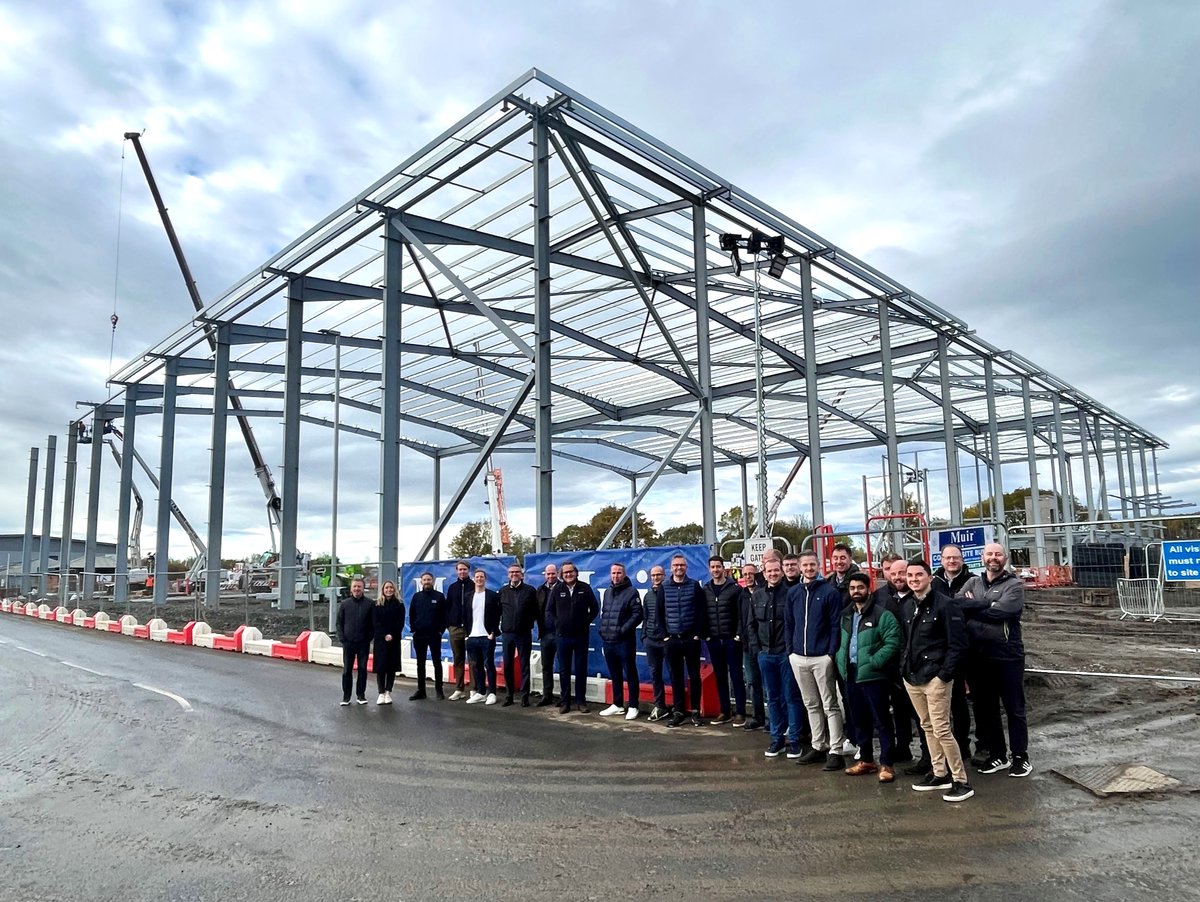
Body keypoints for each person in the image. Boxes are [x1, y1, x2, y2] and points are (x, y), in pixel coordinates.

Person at [901, 559, 973, 803]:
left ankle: (960, 780)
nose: (913, 579)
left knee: (942, 728)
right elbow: (906, 641)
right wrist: (904, 669)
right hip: (913, 677)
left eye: (918, 575)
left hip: (935, 678)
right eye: (910, 575)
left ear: (929, 577)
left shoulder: (946, 605)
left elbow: (958, 644)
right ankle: (939, 772)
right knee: (927, 725)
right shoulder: (907, 605)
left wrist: (944, 675)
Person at [958, 542, 1031, 778]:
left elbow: (1003, 612)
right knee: (986, 709)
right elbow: (959, 605)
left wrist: (975, 606)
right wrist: (986, 604)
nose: (993, 558)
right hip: (978, 656)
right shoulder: (972, 582)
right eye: (989, 554)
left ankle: (1020, 757)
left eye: (997, 554)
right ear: (982, 557)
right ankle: (998, 754)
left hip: (1007, 655)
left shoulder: (1015, 585)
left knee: (1014, 709)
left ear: (1005, 558)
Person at [836, 572, 901, 783]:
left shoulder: (882, 615)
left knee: (881, 720)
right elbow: (841, 642)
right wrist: (840, 661)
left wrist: (874, 662)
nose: (856, 591)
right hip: (851, 674)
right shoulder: (846, 615)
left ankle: (887, 763)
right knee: (859, 719)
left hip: (873, 676)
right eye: (853, 588)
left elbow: (893, 641)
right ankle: (866, 760)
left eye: (860, 588)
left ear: (868, 588)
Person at [787, 550, 848, 771]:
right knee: (811, 704)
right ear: (800, 567)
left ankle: (836, 749)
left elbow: (834, 625)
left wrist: (830, 653)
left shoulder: (829, 592)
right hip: (798, 657)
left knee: (830, 704)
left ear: (819, 565)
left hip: (822, 657)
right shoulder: (793, 593)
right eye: (805, 565)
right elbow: (789, 624)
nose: (809, 568)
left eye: (813, 564)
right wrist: (790, 651)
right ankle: (818, 745)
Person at [748, 557, 806, 758]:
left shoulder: (792, 594)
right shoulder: (757, 595)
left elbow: (796, 624)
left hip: (785, 654)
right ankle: (776, 740)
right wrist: (757, 649)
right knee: (772, 698)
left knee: (791, 697)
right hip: (765, 654)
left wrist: (791, 650)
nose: (772, 574)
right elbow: (751, 625)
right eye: (768, 571)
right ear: (763, 574)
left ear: (781, 572)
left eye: (775, 570)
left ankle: (795, 741)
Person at [874, 553, 923, 772]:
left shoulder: (919, 596)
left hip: (917, 665)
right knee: (900, 710)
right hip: (892, 666)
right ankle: (903, 747)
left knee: (921, 714)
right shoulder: (881, 596)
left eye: (901, 573)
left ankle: (929, 756)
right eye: (892, 574)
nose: (897, 577)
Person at [934, 544, 981, 764]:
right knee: (952, 700)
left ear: (962, 560)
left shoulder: (973, 580)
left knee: (976, 699)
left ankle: (975, 744)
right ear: (941, 560)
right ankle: (952, 746)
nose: (952, 561)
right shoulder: (934, 582)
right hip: (944, 648)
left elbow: (980, 605)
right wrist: (963, 602)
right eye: (947, 558)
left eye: (956, 558)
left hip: (972, 646)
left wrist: (962, 605)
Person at [663, 554, 707, 728]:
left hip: (690, 639)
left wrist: (697, 634)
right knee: (676, 677)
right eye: (675, 565)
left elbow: (701, 611)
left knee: (694, 676)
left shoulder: (694, 585)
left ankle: (695, 712)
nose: (679, 568)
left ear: (686, 567)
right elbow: (659, 612)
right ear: (671, 567)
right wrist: (665, 635)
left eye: (681, 565)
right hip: (672, 639)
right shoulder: (665, 587)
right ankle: (679, 712)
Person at [703, 556, 747, 726]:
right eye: (713, 567)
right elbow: (703, 614)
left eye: (718, 566)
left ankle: (741, 713)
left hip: (731, 640)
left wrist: (737, 635)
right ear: (709, 569)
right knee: (720, 677)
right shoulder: (705, 589)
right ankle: (724, 711)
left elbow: (740, 615)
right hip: (714, 640)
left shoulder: (735, 589)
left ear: (724, 568)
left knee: (736, 676)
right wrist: (706, 635)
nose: (715, 570)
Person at [551, 562, 599, 714]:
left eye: (571, 572)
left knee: (580, 669)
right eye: (565, 573)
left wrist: (585, 622)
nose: (568, 574)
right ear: (561, 575)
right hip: (562, 637)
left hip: (580, 636)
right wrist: (558, 623)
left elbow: (595, 609)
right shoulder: (557, 589)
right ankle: (565, 702)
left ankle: (581, 701)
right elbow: (549, 610)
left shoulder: (584, 588)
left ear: (576, 573)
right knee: (564, 670)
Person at [598, 562, 644, 720]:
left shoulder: (632, 592)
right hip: (608, 641)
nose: (615, 576)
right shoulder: (608, 592)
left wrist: (622, 630)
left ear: (624, 574)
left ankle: (633, 705)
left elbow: (638, 615)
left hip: (624, 641)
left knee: (630, 673)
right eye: (613, 573)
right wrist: (603, 631)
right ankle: (617, 704)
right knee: (614, 673)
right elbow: (605, 613)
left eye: (618, 573)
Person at [500, 563, 539, 707]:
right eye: (511, 572)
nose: (514, 574)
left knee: (524, 665)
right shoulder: (503, 591)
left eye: (517, 572)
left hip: (523, 633)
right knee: (508, 665)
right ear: (508, 575)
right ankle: (509, 696)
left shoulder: (530, 591)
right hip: (507, 634)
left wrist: (527, 623)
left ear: (522, 574)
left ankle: (524, 697)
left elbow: (536, 611)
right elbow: (498, 612)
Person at [408, 571, 447, 700]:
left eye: (429, 579)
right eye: (424, 580)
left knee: (437, 662)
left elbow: (444, 616)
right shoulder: (416, 597)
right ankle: (421, 691)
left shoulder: (439, 596)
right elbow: (412, 614)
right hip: (419, 635)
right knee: (420, 663)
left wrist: (440, 631)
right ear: (421, 582)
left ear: (433, 581)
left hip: (434, 635)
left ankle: (439, 690)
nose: (427, 582)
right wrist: (413, 630)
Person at [464, 569, 500, 705]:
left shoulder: (492, 596)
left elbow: (498, 615)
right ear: (474, 579)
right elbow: (465, 616)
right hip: (472, 637)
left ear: (485, 579)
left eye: (482, 577)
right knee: (476, 666)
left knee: (489, 664)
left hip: (487, 636)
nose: (479, 579)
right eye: (477, 577)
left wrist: (493, 632)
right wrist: (467, 635)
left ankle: (492, 693)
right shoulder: (468, 596)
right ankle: (481, 692)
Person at [737, 562, 766, 730]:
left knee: (768, 685)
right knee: (752, 682)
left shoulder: (763, 593)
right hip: (747, 646)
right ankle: (757, 717)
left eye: (751, 573)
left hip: (764, 646)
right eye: (745, 574)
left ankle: (771, 719)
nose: (748, 577)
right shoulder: (741, 595)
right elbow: (739, 617)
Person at [337, 576, 374, 706]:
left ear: (363, 588)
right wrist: (343, 639)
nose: (357, 589)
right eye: (355, 586)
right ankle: (346, 696)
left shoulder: (370, 604)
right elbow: (339, 623)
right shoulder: (345, 604)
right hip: (348, 643)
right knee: (347, 670)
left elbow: (373, 624)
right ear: (351, 589)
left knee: (362, 669)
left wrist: (369, 638)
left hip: (363, 643)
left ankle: (361, 695)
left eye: (359, 586)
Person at [642, 564, 670, 721]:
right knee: (655, 675)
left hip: (666, 641)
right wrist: (644, 636)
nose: (655, 578)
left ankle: (678, 708)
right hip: (651, 641)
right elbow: (646, 617)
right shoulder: (647, 596)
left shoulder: (669, 593)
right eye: (653, 575)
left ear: (664, 576)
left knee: (674, 673)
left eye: (658, 575)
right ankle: (660, 706)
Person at [372, 579, 405, 705]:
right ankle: (380, 693)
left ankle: (388, 692)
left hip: (394, 639)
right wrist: (384, 634)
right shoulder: (377, 604)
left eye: (391, 587)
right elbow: (376, 622)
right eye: (386, 588)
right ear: (382, 590)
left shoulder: (400, 604)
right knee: (381, 667)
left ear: (394, 589)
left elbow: (400, 623)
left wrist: (392, 634)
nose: (389, 590)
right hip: (380, 640)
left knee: (391, 667)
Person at [445, 561, 473, 700]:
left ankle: (474, 689)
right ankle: (459, 689)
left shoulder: (474, 586)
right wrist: (449, 625)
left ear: (468, 570)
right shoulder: (452, 588)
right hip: (455, 628)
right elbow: (447, 606)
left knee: (473, 660)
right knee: (458, 659)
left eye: (465, 569)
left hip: (471, 629)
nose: (462, 572)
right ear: (457, 571)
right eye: (460, 569)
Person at [535, 563, 559, 706]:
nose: (550, 576)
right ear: (545, 575)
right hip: (545, 634)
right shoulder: (540, 590)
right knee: (546, 666)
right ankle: (547, 695)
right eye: (548, 574)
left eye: (553, 574)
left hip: (560, 634)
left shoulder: (563, 588)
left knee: (563, 666)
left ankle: (564, 697)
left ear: (557, 574)